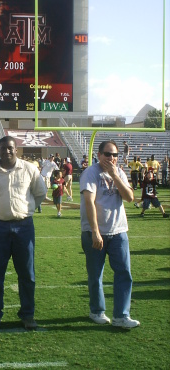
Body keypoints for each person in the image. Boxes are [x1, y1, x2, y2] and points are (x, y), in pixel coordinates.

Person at [0, 135, 47, 332]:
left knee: (27, 274)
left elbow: (40, 193)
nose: (7, 151)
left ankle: (28, 314)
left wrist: (27, 209)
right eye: (3, 148)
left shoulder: (29, 169)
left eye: (10, 148)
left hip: (24, 227)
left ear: (16, 149)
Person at [80, 140, 140, 328]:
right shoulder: (90, 173)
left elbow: (130, 198)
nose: (111, 158)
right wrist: (96, 232)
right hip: (96, 232)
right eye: (108, 154)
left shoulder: (118, 172)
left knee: (124, 273)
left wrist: (115, 175)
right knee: (95, 275)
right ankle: (97, 311)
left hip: (118, 231)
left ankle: (121, 315)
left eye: (114, 155)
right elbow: (89, 202)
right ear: (99, 155)